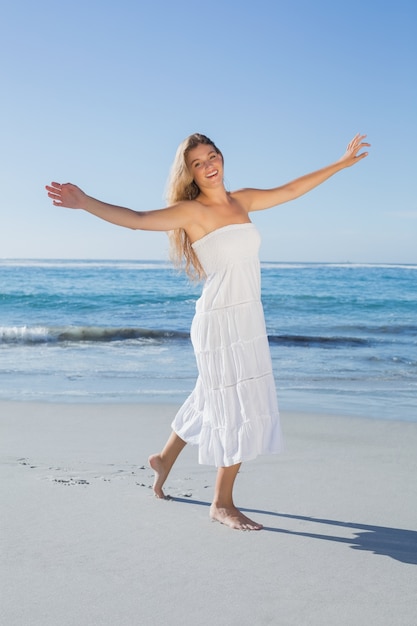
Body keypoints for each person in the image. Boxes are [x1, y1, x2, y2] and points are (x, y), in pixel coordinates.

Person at [46, 132, 370, 530]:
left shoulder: (243, 200)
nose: (208, 166)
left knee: (212, 396)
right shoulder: (191, 211)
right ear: (191, 172)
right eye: (198, 163)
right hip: (219, 320)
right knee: (234, 405)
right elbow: (137, 220)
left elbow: (291, 189)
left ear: (221, 158)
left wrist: (340, 163)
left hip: (248, 317)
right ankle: (221, 502)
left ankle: (163, 460)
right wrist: (85, 203)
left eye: (212, 156)